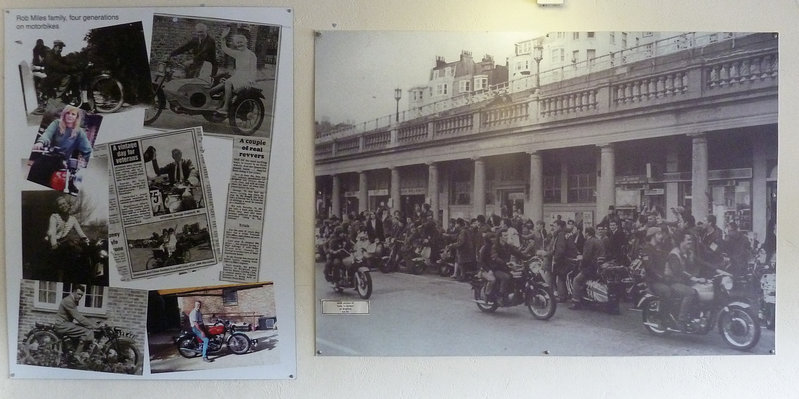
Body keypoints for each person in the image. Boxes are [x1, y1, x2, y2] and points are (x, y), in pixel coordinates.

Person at [212, 28, 257, 114]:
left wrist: (250, 81)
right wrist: (223, 39)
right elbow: (225, 49)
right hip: (237, 76)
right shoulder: (237, 53)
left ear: (246, 42)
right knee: (221, 82)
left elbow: (253, 70)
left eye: (241, 42)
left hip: (246, 78)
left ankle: (226, 107)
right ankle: (217, 104)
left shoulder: (251, 55)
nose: (239, 44)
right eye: (238, 43)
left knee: (228, 83)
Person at [664, 232, 701, 329]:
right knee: (690, 293)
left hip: (684, 281)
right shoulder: (674, 254)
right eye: (688, 239)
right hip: (673, 281)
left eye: (691, 240)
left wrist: (718, 269)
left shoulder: (688, 253)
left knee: (702, 290)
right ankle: (681, 321)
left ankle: (694, 317)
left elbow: (701, 263)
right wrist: (693, 278)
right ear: (681, 241)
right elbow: (678, 271)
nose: (691, 242)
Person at [146, 147, 201, 213]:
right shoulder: (170, 166)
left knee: (188, 201)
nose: (177, 156)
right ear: (173, 156)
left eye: (178, 154)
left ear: (181, 154)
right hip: (174, 190)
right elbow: (158, 172)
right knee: (170, 206)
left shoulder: (187, 162)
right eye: (174, 154)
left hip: (186, 188)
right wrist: (154, 159)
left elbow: (193, 170)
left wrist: (189, 181)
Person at [54, 285, 98, 363]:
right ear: (73, 292)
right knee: (86, 331)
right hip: (62, 325)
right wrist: (92, 325)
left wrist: (90, 323)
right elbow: (78, 317)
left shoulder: (72, 300)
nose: (80, 296)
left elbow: (77, 316)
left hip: (66, 323)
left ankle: (77, 351)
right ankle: (76, 356)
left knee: (83, 327)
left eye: (81, 295)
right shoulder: (68, 301)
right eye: (78, 294)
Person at [570, 227, 603, 310]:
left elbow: (587, 257)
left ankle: (576, 302)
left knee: (576, 280)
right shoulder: (599, 240)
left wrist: (581, 263)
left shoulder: (589, 241)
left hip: (591, 267)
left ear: (587, 233)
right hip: (599, 266)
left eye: (585, 233)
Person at [488, 229, 524, 304]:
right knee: (506, 277)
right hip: (496, 268)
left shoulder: (507, 246)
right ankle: (500, 297)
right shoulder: (495, 246)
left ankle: (514, 295)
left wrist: (528, 257)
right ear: (500, 237)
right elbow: (495, 257)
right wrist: (505, 263)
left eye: (507, 235)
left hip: (505, 267)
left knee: (518, 276)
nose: (507, 237)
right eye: (505, 235)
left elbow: (517, 253)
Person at [641, 226, 672, 299]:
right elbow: (649, 268)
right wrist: (663, 277)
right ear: (652, 236)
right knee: (666, 290)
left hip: (662, 279)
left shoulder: (659, 249)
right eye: (659, 234)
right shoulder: (647, 249)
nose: (661, 236)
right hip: (653, 282)